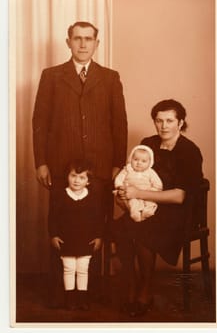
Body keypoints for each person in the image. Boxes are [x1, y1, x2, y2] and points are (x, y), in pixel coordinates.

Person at [32, 21, 128, 306]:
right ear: (68, 42)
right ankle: (59, 295)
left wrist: (117, 164)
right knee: (61, 230)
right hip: (63, 168)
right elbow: (40, 122)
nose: (83, 44)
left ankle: (95, 293)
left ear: (97, 44)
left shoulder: (110, 78)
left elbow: (119, 124)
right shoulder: (51, 76)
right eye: (77, 39)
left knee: (96, 230)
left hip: (100, 168)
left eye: (89, 39)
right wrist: (41, 163)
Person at [113, 99, 203, 317]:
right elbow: (133, 174)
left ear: (180, 123)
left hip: (179, 211)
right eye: (159, 120)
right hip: (146, 205)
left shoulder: (189, 151)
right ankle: (132, 285)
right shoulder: (148, 144)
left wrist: (138, 194)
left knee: (144, 230)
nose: (163, 126)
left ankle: (145, 291)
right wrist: (125, 195)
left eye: (169, 120)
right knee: (120, 229)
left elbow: (180, 196)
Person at [48, 160, 102, 311]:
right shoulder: (60, 196)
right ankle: (70, 299)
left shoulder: (92, 198)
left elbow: (98, 219)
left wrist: (98, 236)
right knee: (69, 268)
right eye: (73, 176)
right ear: (67, 177)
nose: (77, 180)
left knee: (83, 269)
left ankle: (82, 299)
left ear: (88, 181)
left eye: (82, 177)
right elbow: (52, 217)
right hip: (67, 240)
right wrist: (53, 235)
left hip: (86, 240)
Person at [114, 145, 163, 222]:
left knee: (151, 203)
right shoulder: (128, 169)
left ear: (150, 162)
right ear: (131, 159)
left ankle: (147, 212)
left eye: (143, 161)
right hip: (131, 193)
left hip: (147, 193)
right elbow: (119, 178)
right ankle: (134, 214)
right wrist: (119, 186)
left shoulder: (150, 172)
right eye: (136, 159)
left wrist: (153, 189)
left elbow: (157, 183)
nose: (139, 163)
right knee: (133, 203)